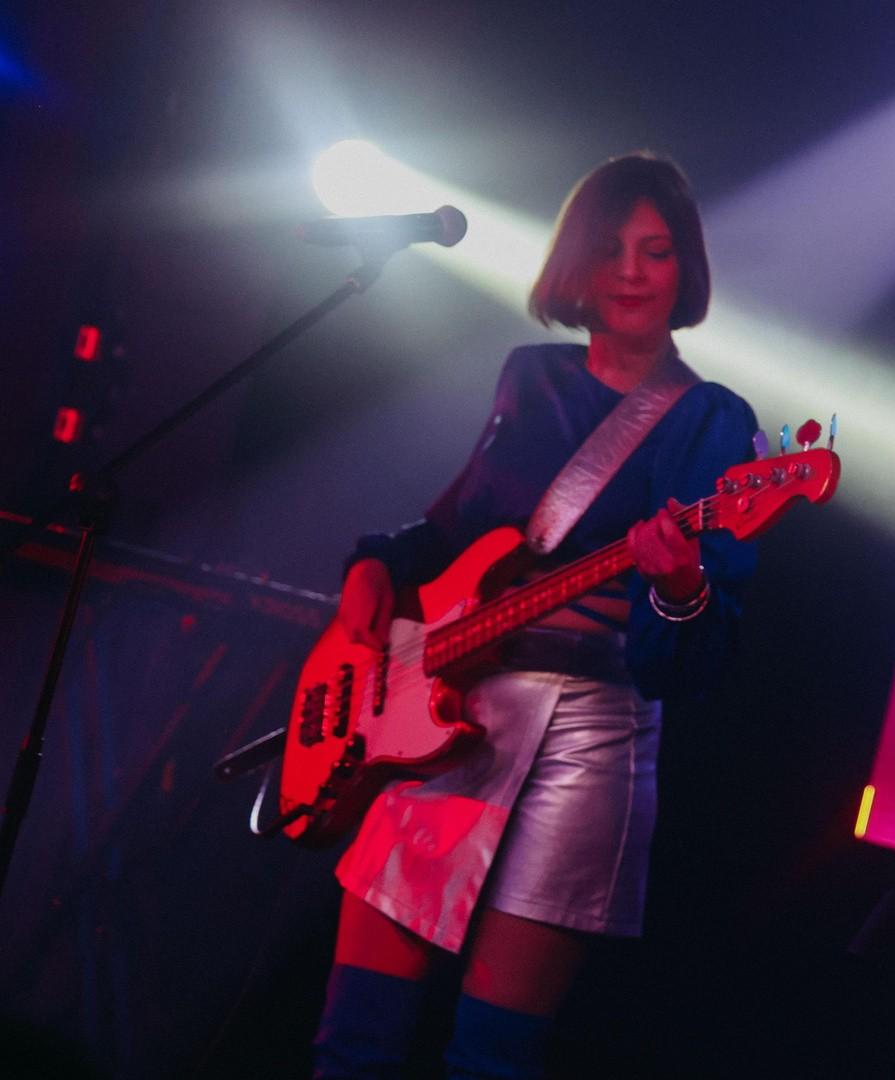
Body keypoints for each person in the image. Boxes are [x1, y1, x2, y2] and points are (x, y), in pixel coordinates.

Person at [309, 152, 758, 1079]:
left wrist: (680, 588)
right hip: (446, 700)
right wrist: (375, 562)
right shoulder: (530, 376)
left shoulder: (712, 420)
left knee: (491, 1062)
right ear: (576, 263)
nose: (631, 271)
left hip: (590, 733)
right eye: (611, 248)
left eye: (656, 251)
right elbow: (454, 525)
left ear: (686, 269)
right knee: (354, 1044)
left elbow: (696, 659)